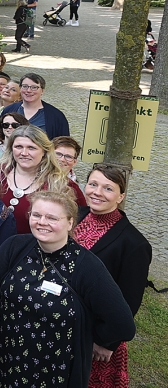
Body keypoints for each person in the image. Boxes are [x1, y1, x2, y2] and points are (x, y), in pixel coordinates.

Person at [0, 190, 136, 388]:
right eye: (36, 215)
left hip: (53, 368)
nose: (42, 222)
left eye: (52, 218)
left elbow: (123, 323)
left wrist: (96, 340)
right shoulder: (14, 247)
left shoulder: (87, 267)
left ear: (70, 222)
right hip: (4, 357)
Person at [77, 166, 152, 388]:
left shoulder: (134, 244)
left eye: (108, 188)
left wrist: (106, 341)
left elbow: (129, 302)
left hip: (95, 337)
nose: (97, 192)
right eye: (93, 184)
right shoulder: (76, 214)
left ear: (121, 196)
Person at [0, 124, 85, 233]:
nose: (24, 153)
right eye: (18, 147)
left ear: (44, 151)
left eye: (31, 148)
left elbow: (80, 222)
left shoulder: (62, 184)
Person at [0, 73, 69, 138]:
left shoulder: (56, 116)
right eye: (25, 86)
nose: (29, 90)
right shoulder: (9, 110)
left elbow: (63, 144)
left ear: (42, 91)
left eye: (34, 87)